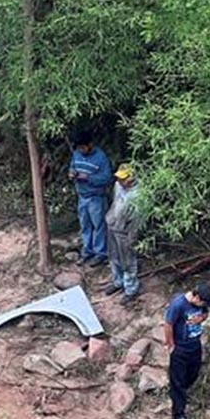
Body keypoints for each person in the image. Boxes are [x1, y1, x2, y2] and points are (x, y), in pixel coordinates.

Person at [162, 282, 210, 419]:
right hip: (180, 348)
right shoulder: (178, 305)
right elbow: (168, 324)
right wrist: (170, 344)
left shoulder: (201, 304)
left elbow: (205, 313)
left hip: (195, 345)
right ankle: (178, 413)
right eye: (203, 302)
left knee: (194, 372)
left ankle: (181, 392)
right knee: (177, 381)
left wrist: (201, 318)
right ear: (196, 297)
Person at [67, 129, 113, 266]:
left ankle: (100, 254)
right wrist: (71, 174)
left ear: (90, 144)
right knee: (85, 226)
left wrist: (89, 178)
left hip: (96, 197)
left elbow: (107, 177)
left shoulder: (101, 157)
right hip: (82, 196)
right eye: (79, 147)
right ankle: (87, 252)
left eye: (83, 147)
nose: (81, 150)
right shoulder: (76, 154)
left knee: (98, 226)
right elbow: (72, 167)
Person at [103, 164, 141, 304]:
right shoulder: (118, 185)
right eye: (119, 178)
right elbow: (114, 201)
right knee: (113, 256)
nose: (120, 181)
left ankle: (131, 289)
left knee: (128, 262)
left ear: (131, 178)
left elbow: (138, 219)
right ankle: (117, 282)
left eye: (123, 178)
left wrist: (132, 236)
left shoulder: (138, 195)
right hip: (113, 225)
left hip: (126, 232)